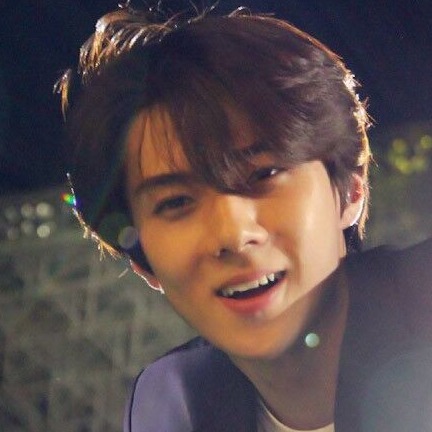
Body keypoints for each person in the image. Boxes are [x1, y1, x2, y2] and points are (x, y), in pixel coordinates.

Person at [58, 4, 432, 431]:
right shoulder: (166, 409)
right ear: (143, 261)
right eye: (176, 202)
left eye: (263, 174)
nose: (233, 234)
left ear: (350, 189)